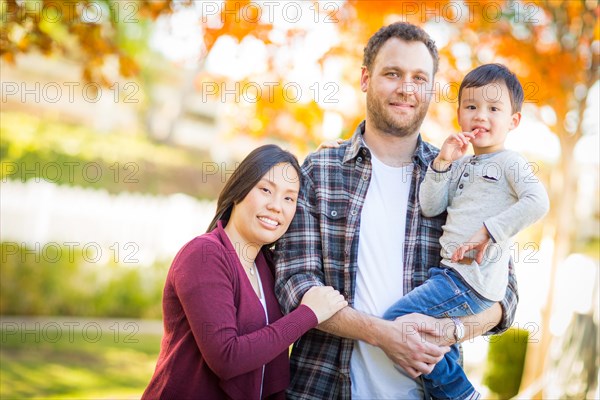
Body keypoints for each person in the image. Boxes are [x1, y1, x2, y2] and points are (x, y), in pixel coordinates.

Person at [274, 22, 520, 399]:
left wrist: (452, 331)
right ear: (365, 79)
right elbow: (295, 284)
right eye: (393, 73)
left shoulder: (460, 176)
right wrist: (383, 334)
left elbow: (504, 297)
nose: (407, 88)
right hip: (324, 387)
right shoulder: (319, 171)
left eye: (419, 78)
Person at [381, 63, 550, 399]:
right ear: (459, 113)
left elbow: (538, 201)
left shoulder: (510, 163)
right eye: (471, 107)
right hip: (450, 274)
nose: (481, 117)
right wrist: (443, 162)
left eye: (493, 109)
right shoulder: (459, 163)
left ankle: (460, 392)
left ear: (513, 121)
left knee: (396, 320)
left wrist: (490, 230)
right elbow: (430, 206)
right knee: (436, 343)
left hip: (470, 279)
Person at [142, 145, 348, 400]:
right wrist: (308, 315)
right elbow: (227, 358)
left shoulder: (270, 267)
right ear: (239, 190)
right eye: (265, 190)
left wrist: (326, 161)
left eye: (289, 198)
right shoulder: (204, 255)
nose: (276, 207)